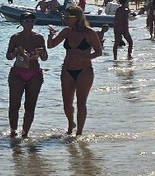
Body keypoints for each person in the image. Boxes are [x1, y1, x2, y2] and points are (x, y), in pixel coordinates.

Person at [47, 7, 102, 136]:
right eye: (64, 17)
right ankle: (71, 123)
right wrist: (50, 36)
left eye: (67, 17)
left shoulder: (89, 33)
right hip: (67, 70)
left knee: (81, 102)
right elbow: (51, 45)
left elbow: (99, 52)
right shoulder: (67, 31)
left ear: (76, 18)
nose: (65, 19)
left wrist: (86, 56)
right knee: (67, 103)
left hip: (84, 70)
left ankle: (79, 132)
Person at [6, 15, 48, 138]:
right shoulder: (15, 38)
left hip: (34, 73)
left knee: (30, 105)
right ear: (22, 23)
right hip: (17, 73)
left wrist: (41, 53)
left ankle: (25, 133)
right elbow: (8, 56)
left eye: (32, 21)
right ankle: (13, 131)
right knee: (14, 104)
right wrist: (16, 52)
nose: (30, 23)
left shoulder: (39, 38)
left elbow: (45, 58)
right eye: (27, 21)